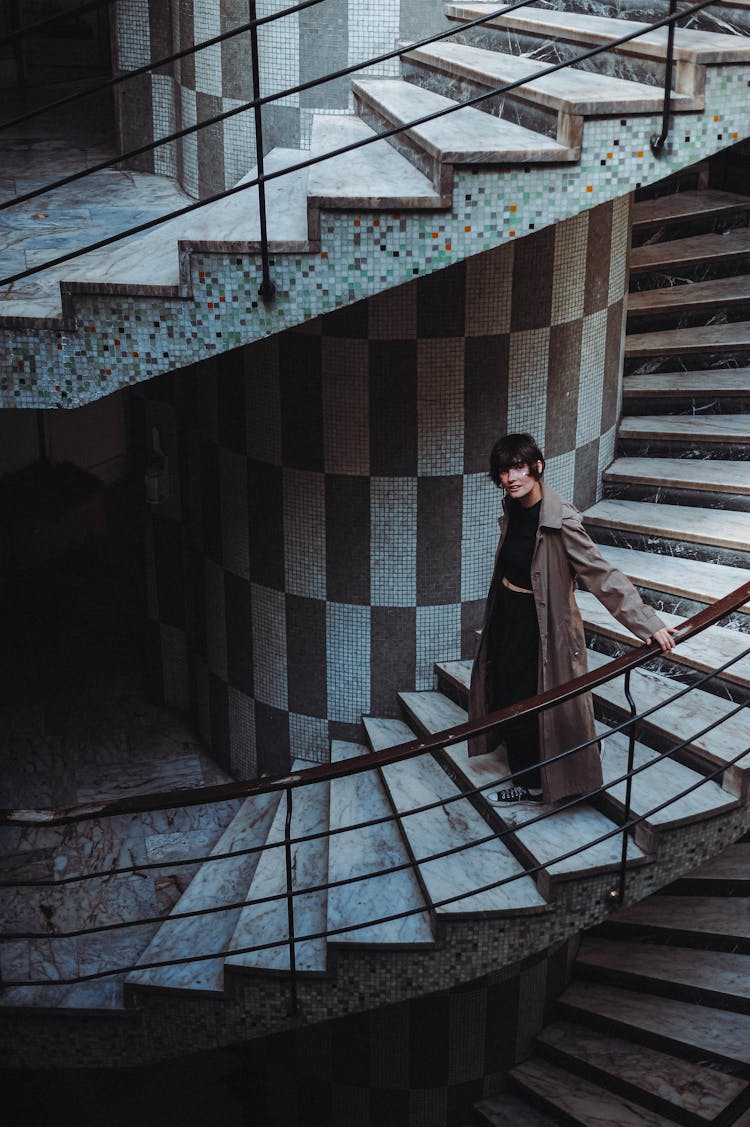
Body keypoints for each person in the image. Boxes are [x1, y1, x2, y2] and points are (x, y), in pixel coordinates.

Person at [468, 433, 677, 806]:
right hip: (506, 615)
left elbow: (602, 574)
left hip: (540, 624)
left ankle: (533, 783)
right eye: (504, 470)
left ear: (538, 467)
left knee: (530, 699)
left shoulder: (560, 520)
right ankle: (526, 767)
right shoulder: (514, 507)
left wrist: (649, 625)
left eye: (518, 467)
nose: (512, 477)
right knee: (501, 690)